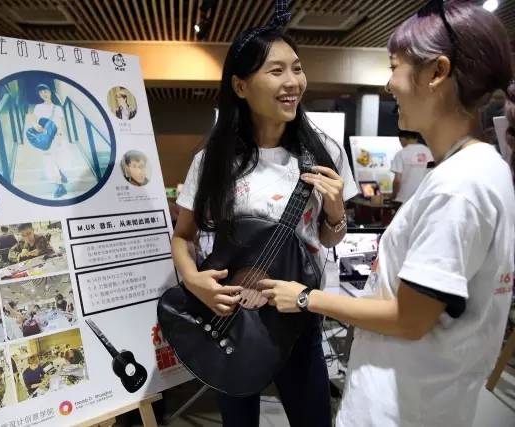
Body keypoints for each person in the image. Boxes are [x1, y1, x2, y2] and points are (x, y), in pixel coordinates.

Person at [260, 2, 515, 426]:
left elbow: (409, 319)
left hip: (400, 408)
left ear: (437, 73)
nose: (388, 83)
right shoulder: (480, 169)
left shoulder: (459, 186)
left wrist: (306, 298)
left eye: (395, 67)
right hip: (424, 398)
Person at [170, 4, 358, 425]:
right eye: (276, 71)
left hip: (298, 316)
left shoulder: (324, 151)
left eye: (297, 68)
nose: (293, 82)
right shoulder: (213, 159)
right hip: (231, 318)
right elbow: (183, 236)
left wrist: (334, 210)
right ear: (240, 86)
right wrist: (194, 280)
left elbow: (328, 239)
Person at [29, 83, 68, 199]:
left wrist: (60, 137)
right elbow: (33, 121)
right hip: (44, 138)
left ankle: (60, 186)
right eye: (41, 92)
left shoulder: (57, 108)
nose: (43, 94)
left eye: (45, 91)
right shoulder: (38, 107)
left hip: (55, 137)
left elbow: (60, 124)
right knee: (50, 159)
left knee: (51, 159)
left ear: (50, 92)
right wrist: (35, 126)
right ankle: (60, 176)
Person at [390, 130, 433, 203]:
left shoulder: (401, 154)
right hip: (422, 198)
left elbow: (397, 180)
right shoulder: (429, 152)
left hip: (404, 198)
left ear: (402, 139)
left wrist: (393, 195)